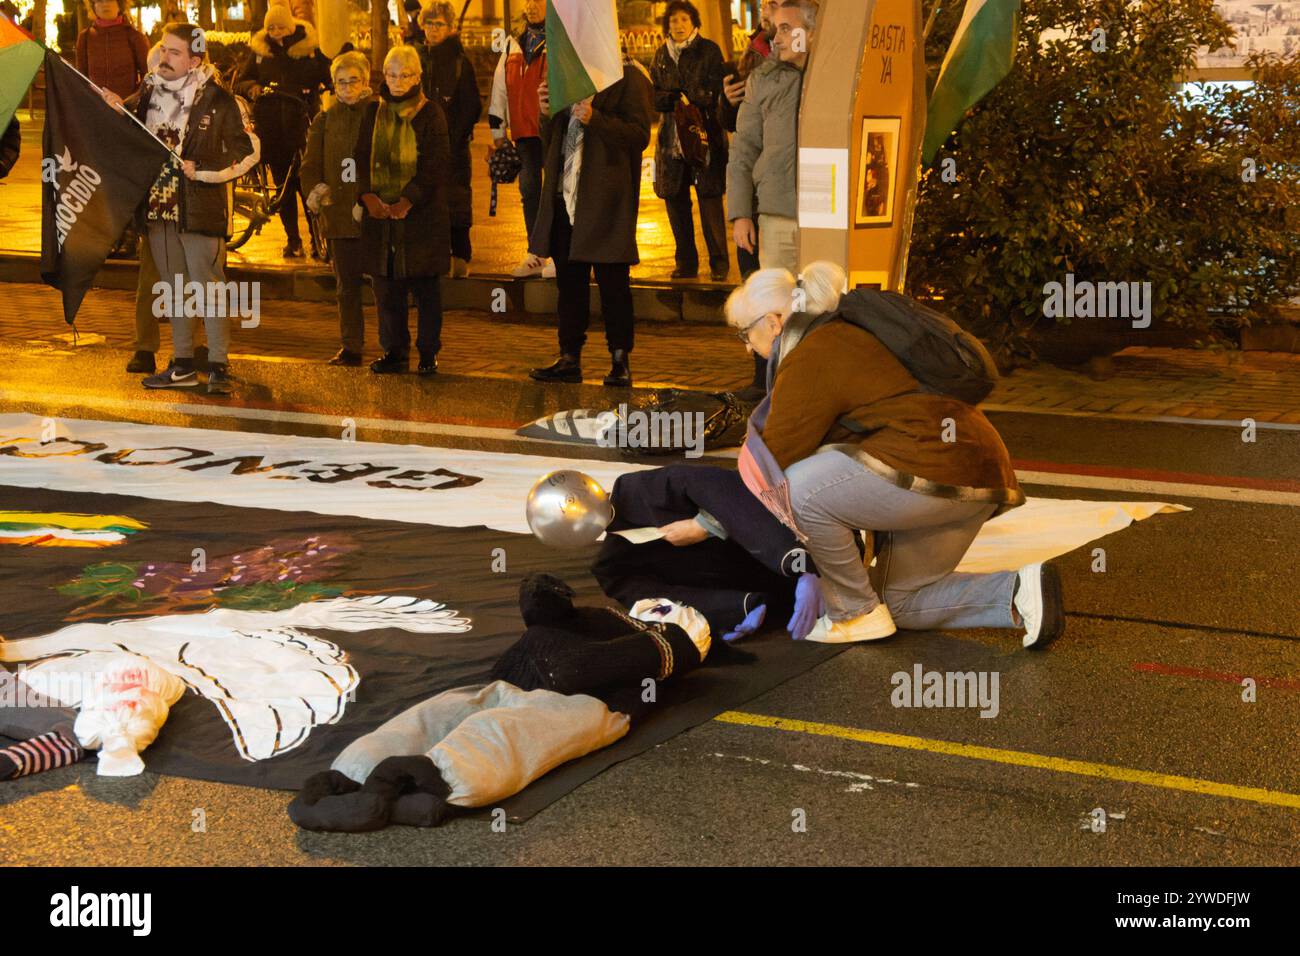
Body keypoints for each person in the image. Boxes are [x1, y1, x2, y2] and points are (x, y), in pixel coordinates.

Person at [725, 262, 1065, 647]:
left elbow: (775, 456)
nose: (747, 346)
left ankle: (854, 613)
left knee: (799, 489)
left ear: (773, 321)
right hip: (977, 471)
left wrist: (714, 519)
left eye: (744, 332)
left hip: (928, 467)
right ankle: (1019, 590)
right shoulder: (850, 332)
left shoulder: (816, 350)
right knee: (899, 601)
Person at [100, 22, 255, 395]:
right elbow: (132, 133)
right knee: (174, 289)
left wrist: (205, 172)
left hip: (200, 208)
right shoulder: (150, 91)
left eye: (174, 52)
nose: (163, 58)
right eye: (163, 49)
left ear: (194, 60)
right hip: (158, 208)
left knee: (209, 288)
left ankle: (218, 365)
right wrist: (116, 109)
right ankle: (182, 364)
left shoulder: (220, 99)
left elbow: (247, 152)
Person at [527, 57, 653, 388]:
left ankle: (619, 359)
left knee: (614, 285)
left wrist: (595, 118)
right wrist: (545, 113)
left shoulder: (627, 76)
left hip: (605, 199)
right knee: (570, 285)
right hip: (563, 196)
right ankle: (569, 357)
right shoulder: (567, 71)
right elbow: (552, 139)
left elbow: (639, 135)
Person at [591, 464, 825, 642]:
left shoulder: (640, 489)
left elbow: (722, 487)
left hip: (803, 542)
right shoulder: (612, 568)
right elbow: (665, 598)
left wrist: (705, 525)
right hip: (771, 593)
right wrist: (736, 608)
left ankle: (807, 570)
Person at [354, 45, 450, 377]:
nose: (397, 81)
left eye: (405, 75)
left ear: (417, 77)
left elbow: (435, 165)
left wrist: (407, 200)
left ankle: (427, 353)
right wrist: (367, 197)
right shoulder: (372, 113)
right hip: (380, 218)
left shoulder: (430, 113)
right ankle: (394, 351)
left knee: (425, 290)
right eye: (392, 74)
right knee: (386, 289)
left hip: (421, 218)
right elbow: (360, 158)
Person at [235, 1, 332, 258]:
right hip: (271, 124)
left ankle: (317, 238)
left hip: (301, 123)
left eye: (281, 27)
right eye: (272, 27)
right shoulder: (260, 51)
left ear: (290, 27)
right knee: (283, 185)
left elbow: (327, 71)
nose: (276, 32)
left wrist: (330, 83)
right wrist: (252, 87)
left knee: (306, 182)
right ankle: (293, 240)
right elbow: (244, 79)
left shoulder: (307, 48)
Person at [727, 0, 816, 274]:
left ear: (812, 32)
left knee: (822, 308)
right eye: (777, 29)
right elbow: (743, 150)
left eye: (787, 29)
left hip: (825, 218)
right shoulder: (762, 80)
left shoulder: (836, 79)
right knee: (778, 306)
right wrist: (741, 215)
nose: (777, 38)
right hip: (777, 217)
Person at [301, 50, 374, 367]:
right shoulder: (325, 119)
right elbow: (310, 164)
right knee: (347, 288)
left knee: (385, 286)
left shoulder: (377, 114)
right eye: (340, 82)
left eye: (353, 81)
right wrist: (317, 190)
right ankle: (352, 345)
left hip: (373, 212)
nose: (347, 88)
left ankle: (393, 346)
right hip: (340, 214)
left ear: (365, 81)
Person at [651, 0, 729, 282]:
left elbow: (717, 91)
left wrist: (691, 98)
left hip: (703, 135)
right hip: (671, 140)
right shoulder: (661, 55)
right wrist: (671, 99)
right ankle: (685, 262)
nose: (678, 26)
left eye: (684, 20)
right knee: (675, 200)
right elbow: (655, 95)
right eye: (673, 21)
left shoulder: (708, 51)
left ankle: (719, 263)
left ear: (694, 22)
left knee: (709, 199)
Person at [487, 0, 552, 278]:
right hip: (524, 134)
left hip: (553, 132)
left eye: (538, 1)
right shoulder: (513, 44)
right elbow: (500, 89)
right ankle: (536, 252)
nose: (531, 5)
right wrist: (498, 134)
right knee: (530, 192)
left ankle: (563, 253)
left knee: (558, 194)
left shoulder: (559, 42)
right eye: (528, 1)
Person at [417, 1, 481, 279]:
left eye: (438, 24)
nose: (433, 30)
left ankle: (460, 254)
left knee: (455, 197)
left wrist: (454, 137)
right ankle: (433, 254)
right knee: (426, 198)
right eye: (429, 24)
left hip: (453, 145)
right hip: (421, 145)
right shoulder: (416, 57)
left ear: (450, 27)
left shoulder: (459, 61)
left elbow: (471, 105)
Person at [720, 0, 776, 281]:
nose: (766, 9)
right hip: (754, 180)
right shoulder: (755, 50)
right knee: (753, 276)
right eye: (765, 4)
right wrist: (728, 102)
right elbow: (738, 136)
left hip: (782, 184)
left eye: (773, 4)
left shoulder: (802, 54)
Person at [75, 0, 148, 100]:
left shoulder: (134, 36)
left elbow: (147, 75)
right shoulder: (85, 37)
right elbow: (81, 77)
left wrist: (132, 100)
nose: (105, 4)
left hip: (125, 108)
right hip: (95, 105)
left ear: (120, 4)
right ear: (93, 6)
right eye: (100, 1)